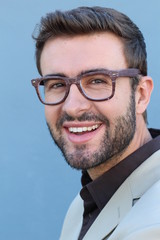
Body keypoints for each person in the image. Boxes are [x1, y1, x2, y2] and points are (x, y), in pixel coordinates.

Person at [31, 6, 160, 240]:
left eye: (97, 81)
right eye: (57, 84)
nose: (72, 106)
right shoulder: (87, 203)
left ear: (141, 94)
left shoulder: (152, 225)